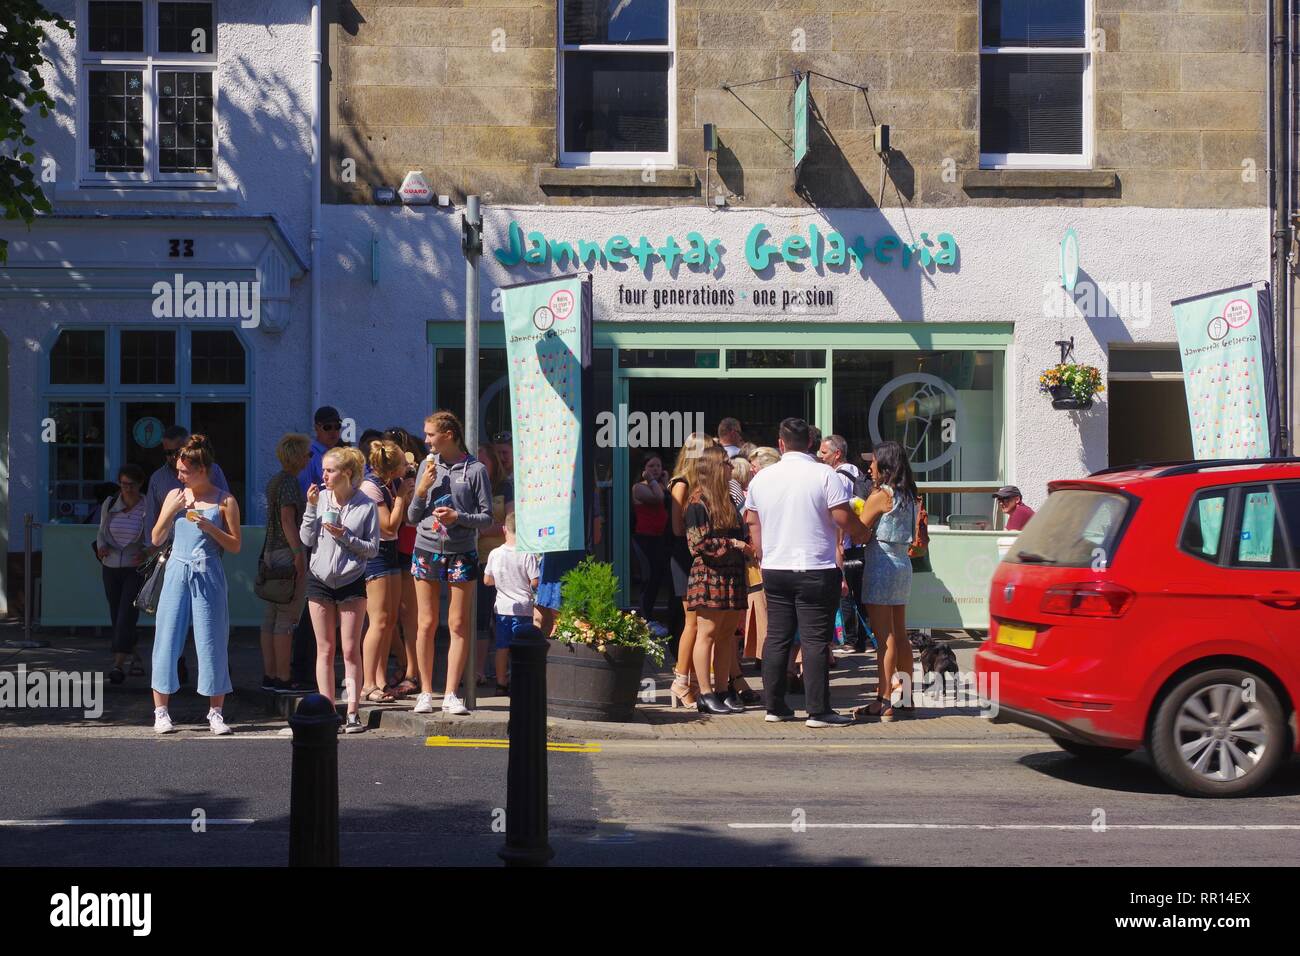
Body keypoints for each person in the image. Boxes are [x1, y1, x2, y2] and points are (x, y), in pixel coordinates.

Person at [744, 418, 870, 728]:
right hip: (815, 567)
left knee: (776, 638)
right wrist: (862, 532)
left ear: (781, 443)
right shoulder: (825, 474)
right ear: (811, 444)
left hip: (775, 568)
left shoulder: (763, 477)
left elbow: (752, 520)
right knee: (814, 641)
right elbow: (842, 516)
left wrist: (761, 553)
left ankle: (774, 706)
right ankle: (818, 711)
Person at [149, 435, 241, 735]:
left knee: (212, 639)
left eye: (184, 471)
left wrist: (210, 527)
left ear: (203, 469)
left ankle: (216, 713)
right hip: (177, 567)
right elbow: (156, 538)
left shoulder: (225, 500)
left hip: (208, 570)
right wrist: (168, 511)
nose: (179, 475)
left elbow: (236, 545)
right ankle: (160, 712)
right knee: (167, 637)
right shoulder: (175, 496)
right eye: (178, 469)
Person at [407, 411, 493, 716]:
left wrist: (459, 518)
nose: (427, 440)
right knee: (426, 623)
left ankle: (451, 693)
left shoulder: (476, 470)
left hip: (461, 550)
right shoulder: (426, 466)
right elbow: (412, 517)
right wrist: (420, 490)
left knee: (458, 623)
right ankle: (426, 692)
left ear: (449, 435)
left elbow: (487, 517)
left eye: (431, 434)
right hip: (426, 548)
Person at [302, 446, 379, 734]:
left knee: (349, 649)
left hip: (350, 580)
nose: (324, 475)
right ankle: (327, 709)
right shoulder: (320, 499)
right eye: (324, 470)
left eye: (330, 470)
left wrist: (345, 536)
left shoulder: (365, 505)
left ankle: (353, 712)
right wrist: (310, 508)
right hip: (319, 578)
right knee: (324, 648)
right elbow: (306, 538)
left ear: (347, 473)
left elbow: (372, 550)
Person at [684, 446, 754, 715]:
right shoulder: (697, 502)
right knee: (708, 633)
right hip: (710, 573)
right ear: (714, 468)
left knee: (727, 635)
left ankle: (723, 689)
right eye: (725, 463)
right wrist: (735, 543)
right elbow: (697, 544)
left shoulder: (725, 499)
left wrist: (743, 546)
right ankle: (705, 692)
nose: (730, 467)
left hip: (732, 573)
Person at [857, 441, 920, 722]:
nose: (869, 467)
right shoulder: (909, 494)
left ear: (884, 465)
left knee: (885, 638)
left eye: (872, 462)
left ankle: (883, 700)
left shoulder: (882, 494)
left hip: (881, 562)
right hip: (902, 564)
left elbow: (859, 532)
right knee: (901, 633)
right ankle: (906, 696)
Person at [360, 439, 414, 703]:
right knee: (379, 621)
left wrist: (408, 493)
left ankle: (380, 679)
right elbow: (390, 526)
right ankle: (368, 683)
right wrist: (402, 495)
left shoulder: (390, 484)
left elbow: (405, 519)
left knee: (390, 619)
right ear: (392, 468)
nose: (408, 466)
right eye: (403, 463)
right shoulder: (371, 487)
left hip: (391, 553)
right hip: (377, 555)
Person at [258, 434, 311, 692]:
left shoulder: (275, 481)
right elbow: (288, 519)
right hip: (285, 552)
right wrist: (298, 553)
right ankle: (283, 677)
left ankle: (270, 675)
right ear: (298, 456)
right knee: (287, 616)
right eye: (307, 454)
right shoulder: (289, 482)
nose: (309, 458)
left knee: (270, 616)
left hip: (270, 552)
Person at [666, 432, 713, 708]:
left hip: (692, 554)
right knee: (692, 622)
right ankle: (681, 681)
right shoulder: (681, 484)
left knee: (698, 622)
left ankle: (690, 680)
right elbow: (676, 528)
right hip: (684, 556)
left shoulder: (695, 484)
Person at [96, 464, 149, 684]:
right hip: (110, 566)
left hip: (134, 567)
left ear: (140, 485)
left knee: (127, 613)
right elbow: (101, 531)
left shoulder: (147, 506)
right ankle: (135, 656)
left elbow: (154, 534)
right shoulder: (110, 504)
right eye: (123, 484)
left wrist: (146, 552)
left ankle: (117, 664)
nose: (127, 489)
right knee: (116, 614)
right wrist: (101, 547)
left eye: (132, 485)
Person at [384, 426, 425, 698]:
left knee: (410, 614)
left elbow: (410, 514)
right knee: (392, 614)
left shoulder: (411, 473)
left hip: (408, 543)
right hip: (393, 545)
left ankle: (413, 671)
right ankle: (404, 663)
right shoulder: (389, 477)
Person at [482, 512, 540, 696]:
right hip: (523, 608)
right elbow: (535, 581)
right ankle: (518, 681)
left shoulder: (495, 553)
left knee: (502, 647)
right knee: (520, 647)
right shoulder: (527, 554)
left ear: (504, 529)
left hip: (502, 608)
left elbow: (487, 580)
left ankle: (501, 684)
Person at [474, 442, 515, 688]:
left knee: (504, 616)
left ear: (492, 463)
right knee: (479, 617)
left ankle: (505, 670)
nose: (479, 467)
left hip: (502, 560)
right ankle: (478, 670)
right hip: (478, 560)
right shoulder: (470, 487)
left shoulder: (504, 487)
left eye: (483, 462)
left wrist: (481, 530)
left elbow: (511, 523)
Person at [146, 426, 230, 536]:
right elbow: (151, 518)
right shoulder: (158, 479)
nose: (172, 457)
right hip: (172, 545)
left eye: (177, 452)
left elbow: (225, 508)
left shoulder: (212, 471)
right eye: (168, 453)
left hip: (208, 542)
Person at [631, 453, 671, 623]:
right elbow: (658, 498)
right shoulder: (639, 487)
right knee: (649, 578)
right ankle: (645, 618)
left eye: (658, 466)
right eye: (651, 466)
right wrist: (653, 480)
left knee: (658, 578)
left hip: (660, 538)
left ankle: (651, 616)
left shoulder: (660, 485)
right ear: (643, 470)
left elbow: (669, 499)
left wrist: (666, 481)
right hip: (645, 539)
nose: (655, 469)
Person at [299, 405, 346, 496]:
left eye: (337, 426)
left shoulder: (339, 454)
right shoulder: (308, 455)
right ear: (316, 428)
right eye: (327, 427)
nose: (333, 431)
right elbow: (305, 492)